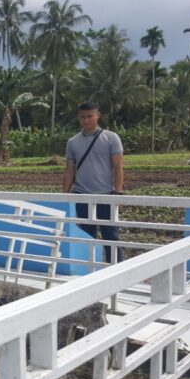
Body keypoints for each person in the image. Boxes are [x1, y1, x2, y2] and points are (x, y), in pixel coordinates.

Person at [63, 102, 125, 264]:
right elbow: (70, 171)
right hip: (82, 195)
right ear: (78, 118)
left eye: (90, 116)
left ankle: (116, 269)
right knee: (86, 235)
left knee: (111, 235)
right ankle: (90, 271)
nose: (86, 120)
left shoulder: (111, 138)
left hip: (106, 195)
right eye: (83, 117)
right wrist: (64, 194)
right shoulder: (72, 142)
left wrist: (118, 193)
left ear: (98, 115)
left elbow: (118, 167)